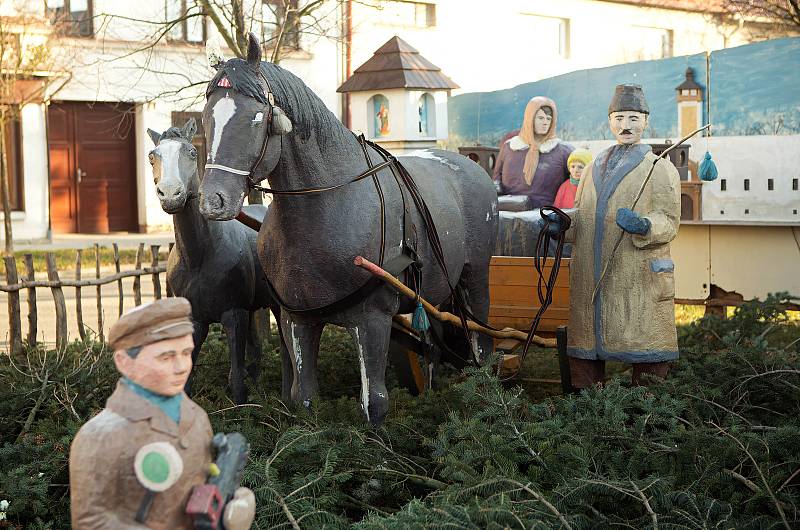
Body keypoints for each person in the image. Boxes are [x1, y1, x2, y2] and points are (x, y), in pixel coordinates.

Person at [69, 297, 256, 530]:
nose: (181, 367)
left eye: (186, 353)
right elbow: (90, 521)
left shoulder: (196, 417)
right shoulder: (98, 437)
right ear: (124, 361)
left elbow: (206, 483)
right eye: (165, 357)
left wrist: (232, 509)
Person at [561, 84, 681, 389]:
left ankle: (646, 412)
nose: (625, 125)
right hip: (592, 274)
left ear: (646, 121)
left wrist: (644, 225)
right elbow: (583, 214)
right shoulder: (590, 170)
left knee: (647, 350)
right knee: (587, 343)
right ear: (609, 121)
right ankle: (589, 405)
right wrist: (562, 224)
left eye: (632, 118)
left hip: (637, 274)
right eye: (618, 118)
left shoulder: (661, 168)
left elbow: (669, 220)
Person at [492, 96, 574, 209]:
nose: (545, 123)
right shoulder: (509, 147)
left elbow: (574, 184)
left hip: (546, 215)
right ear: (530, 118)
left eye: (549, 119)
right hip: (508, 211)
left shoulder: (563, 151)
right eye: (540, 118)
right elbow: (496, 178)